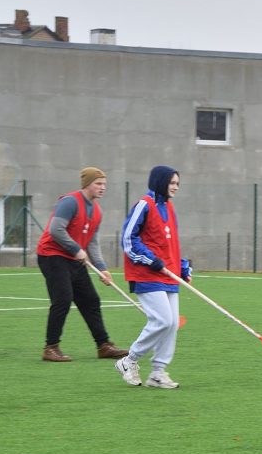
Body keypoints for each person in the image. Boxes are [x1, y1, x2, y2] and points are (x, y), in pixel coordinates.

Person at [35, 167, 129, 362]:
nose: (103, 188)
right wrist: (76, 249)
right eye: (98, 184)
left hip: (74, 259)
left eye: (104, 184)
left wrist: (102, 268)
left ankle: (103, 346)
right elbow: (56, 230)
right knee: (63, 299)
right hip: (52, 256)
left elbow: (92, 242)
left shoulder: (97, 211)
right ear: (87, 184)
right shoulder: (70, 202)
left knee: (91, 300)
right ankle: (50, 348)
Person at [116, 166, 190, 389]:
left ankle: (158, 372)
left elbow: (171, 243)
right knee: (163, 320)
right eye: (172, 183)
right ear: (160, 181)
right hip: (146, 274)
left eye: (177, 183)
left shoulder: (169, 207)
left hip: (169, 274)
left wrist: (183, 267)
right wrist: (150, 260)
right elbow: (128, 239)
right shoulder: (144, 205)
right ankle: (129, 360)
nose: (176, 187)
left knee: (172, 324)